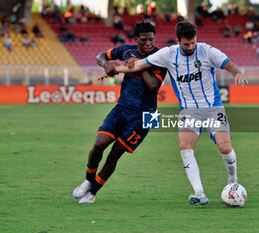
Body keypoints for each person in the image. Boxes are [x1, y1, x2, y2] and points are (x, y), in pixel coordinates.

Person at [101, 21, 248, 205]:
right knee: (184, 146)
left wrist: (237, 73)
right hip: (189, 111)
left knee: (224, 147)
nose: (191, 47)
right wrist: (113, 70)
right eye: (186, 44)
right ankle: (199, 193)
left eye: (193, 42)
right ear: (178, 41)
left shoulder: (206, 51)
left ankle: (232, 183)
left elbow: (228, 64)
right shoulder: (168, 54)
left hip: (213, 108)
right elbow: (138, 66)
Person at [72, 22, 167, 204]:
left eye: (151, 39)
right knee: (98, 144)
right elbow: (100, 55)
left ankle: (93, 193)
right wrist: (105, 64)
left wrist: (140, 65)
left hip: (147, 114)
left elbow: (154, 86)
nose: (149, 43)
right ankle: (88, 181)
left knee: (115, 153)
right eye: (144, 39)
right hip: (122, 107)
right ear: (136, 39)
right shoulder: (126, 50)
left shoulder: (160, 56)